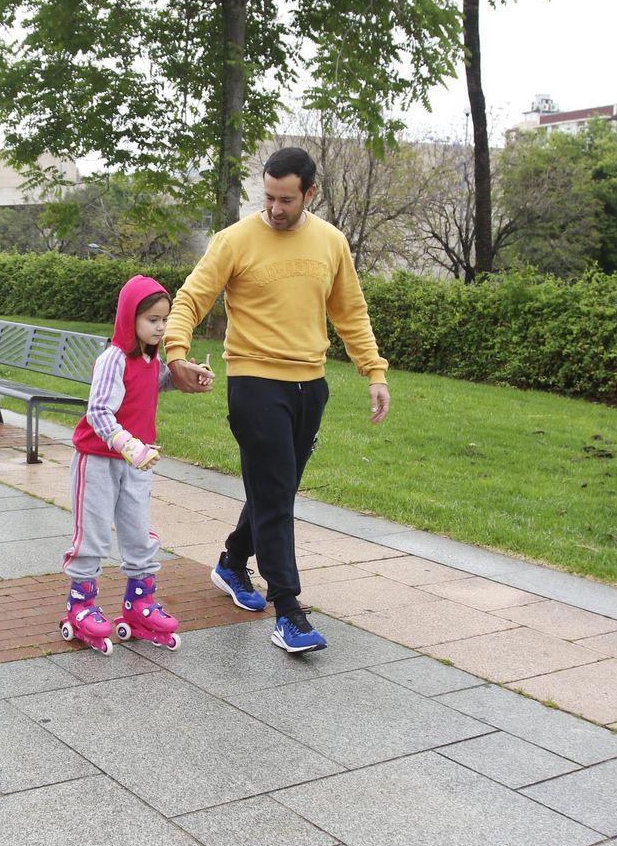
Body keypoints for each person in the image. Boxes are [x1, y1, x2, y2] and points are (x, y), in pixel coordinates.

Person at [163, 146, 391, 655]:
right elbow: (191, 297)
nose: (275, 208)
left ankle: (231, 558)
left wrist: (373, 372)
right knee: (276, 493)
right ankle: (288, 608)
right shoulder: (235, 240)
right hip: (254, 382)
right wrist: (176, 352)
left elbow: (351, 312)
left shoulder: (330, 242)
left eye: (286, 199)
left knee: (277, 490)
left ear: (310, 193)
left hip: (311, 385)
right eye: (268, 196)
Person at [60, 275, 206, 654]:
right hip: (98, 460)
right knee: (92, 535)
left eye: (164, 320)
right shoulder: (113, 359)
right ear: (130, 318)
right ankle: (81, 606)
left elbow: (156, 382)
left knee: (139, 534)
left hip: (136, 463)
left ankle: (139, 604)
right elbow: (98, 411)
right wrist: (127, 443)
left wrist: (188, 375)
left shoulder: (150, 357)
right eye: (152, 320)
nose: (160, 327)